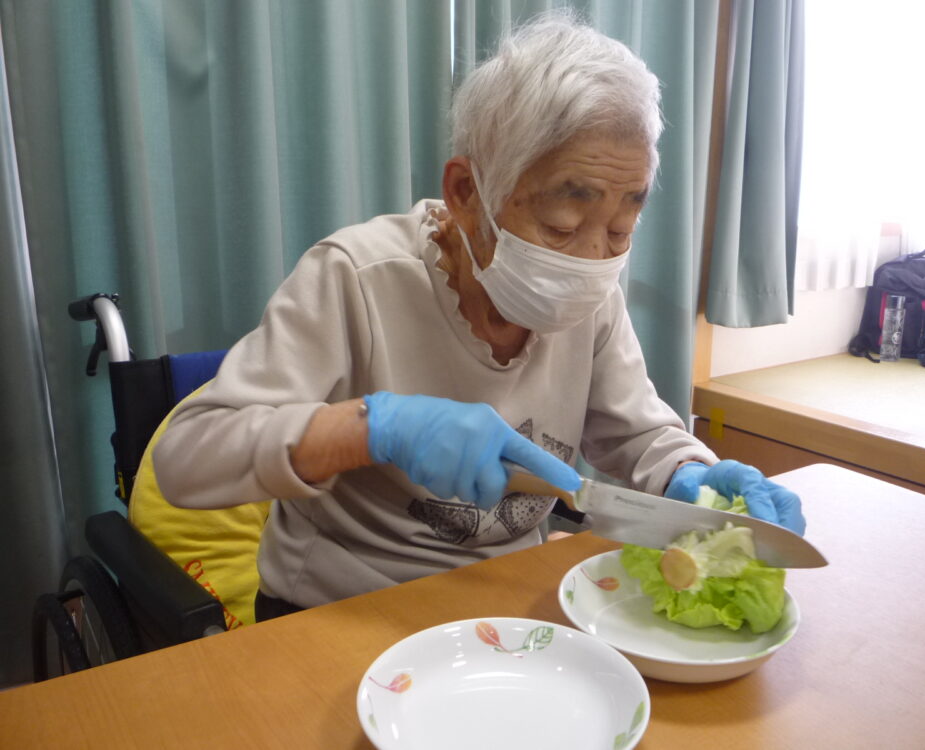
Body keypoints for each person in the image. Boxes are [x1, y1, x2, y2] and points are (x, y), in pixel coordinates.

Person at [154, 12, 805, 622]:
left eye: (621, 227)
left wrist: (690, 472)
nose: (593, 260)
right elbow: (186, 459)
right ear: (466, 193)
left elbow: (635, 435)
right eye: (560, 225)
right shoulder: (354, 277)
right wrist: (371, 428)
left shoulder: (591, 292)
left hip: (508, 605)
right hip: (337, 614)